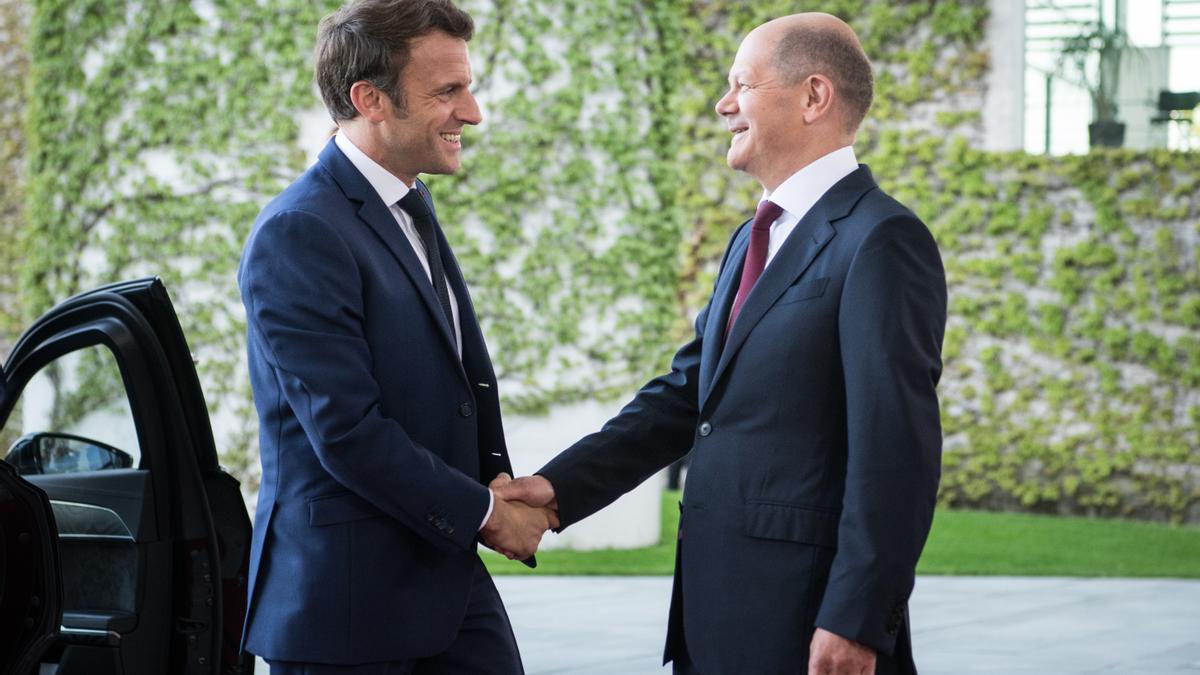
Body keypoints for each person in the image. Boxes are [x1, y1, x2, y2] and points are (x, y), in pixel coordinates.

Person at [496, 13, 947, 675]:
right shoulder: (750, 239)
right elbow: (688, 397)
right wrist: (559, 489)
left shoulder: (880, 241)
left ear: (814, 97)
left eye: (742, 84)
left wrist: (855, 618)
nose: (723, 103)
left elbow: (896, 450)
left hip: (806, 620)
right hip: (715, 613)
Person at [237, 1, 554, 672]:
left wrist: (495, 483)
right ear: (370, 99)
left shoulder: (408, 201)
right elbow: (347, 430)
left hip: (443, 576)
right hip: (346, 610)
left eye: (467, 87)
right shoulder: (300, 232)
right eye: (449, 91)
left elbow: (453, 378)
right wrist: (488, 514)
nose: (472, 113)